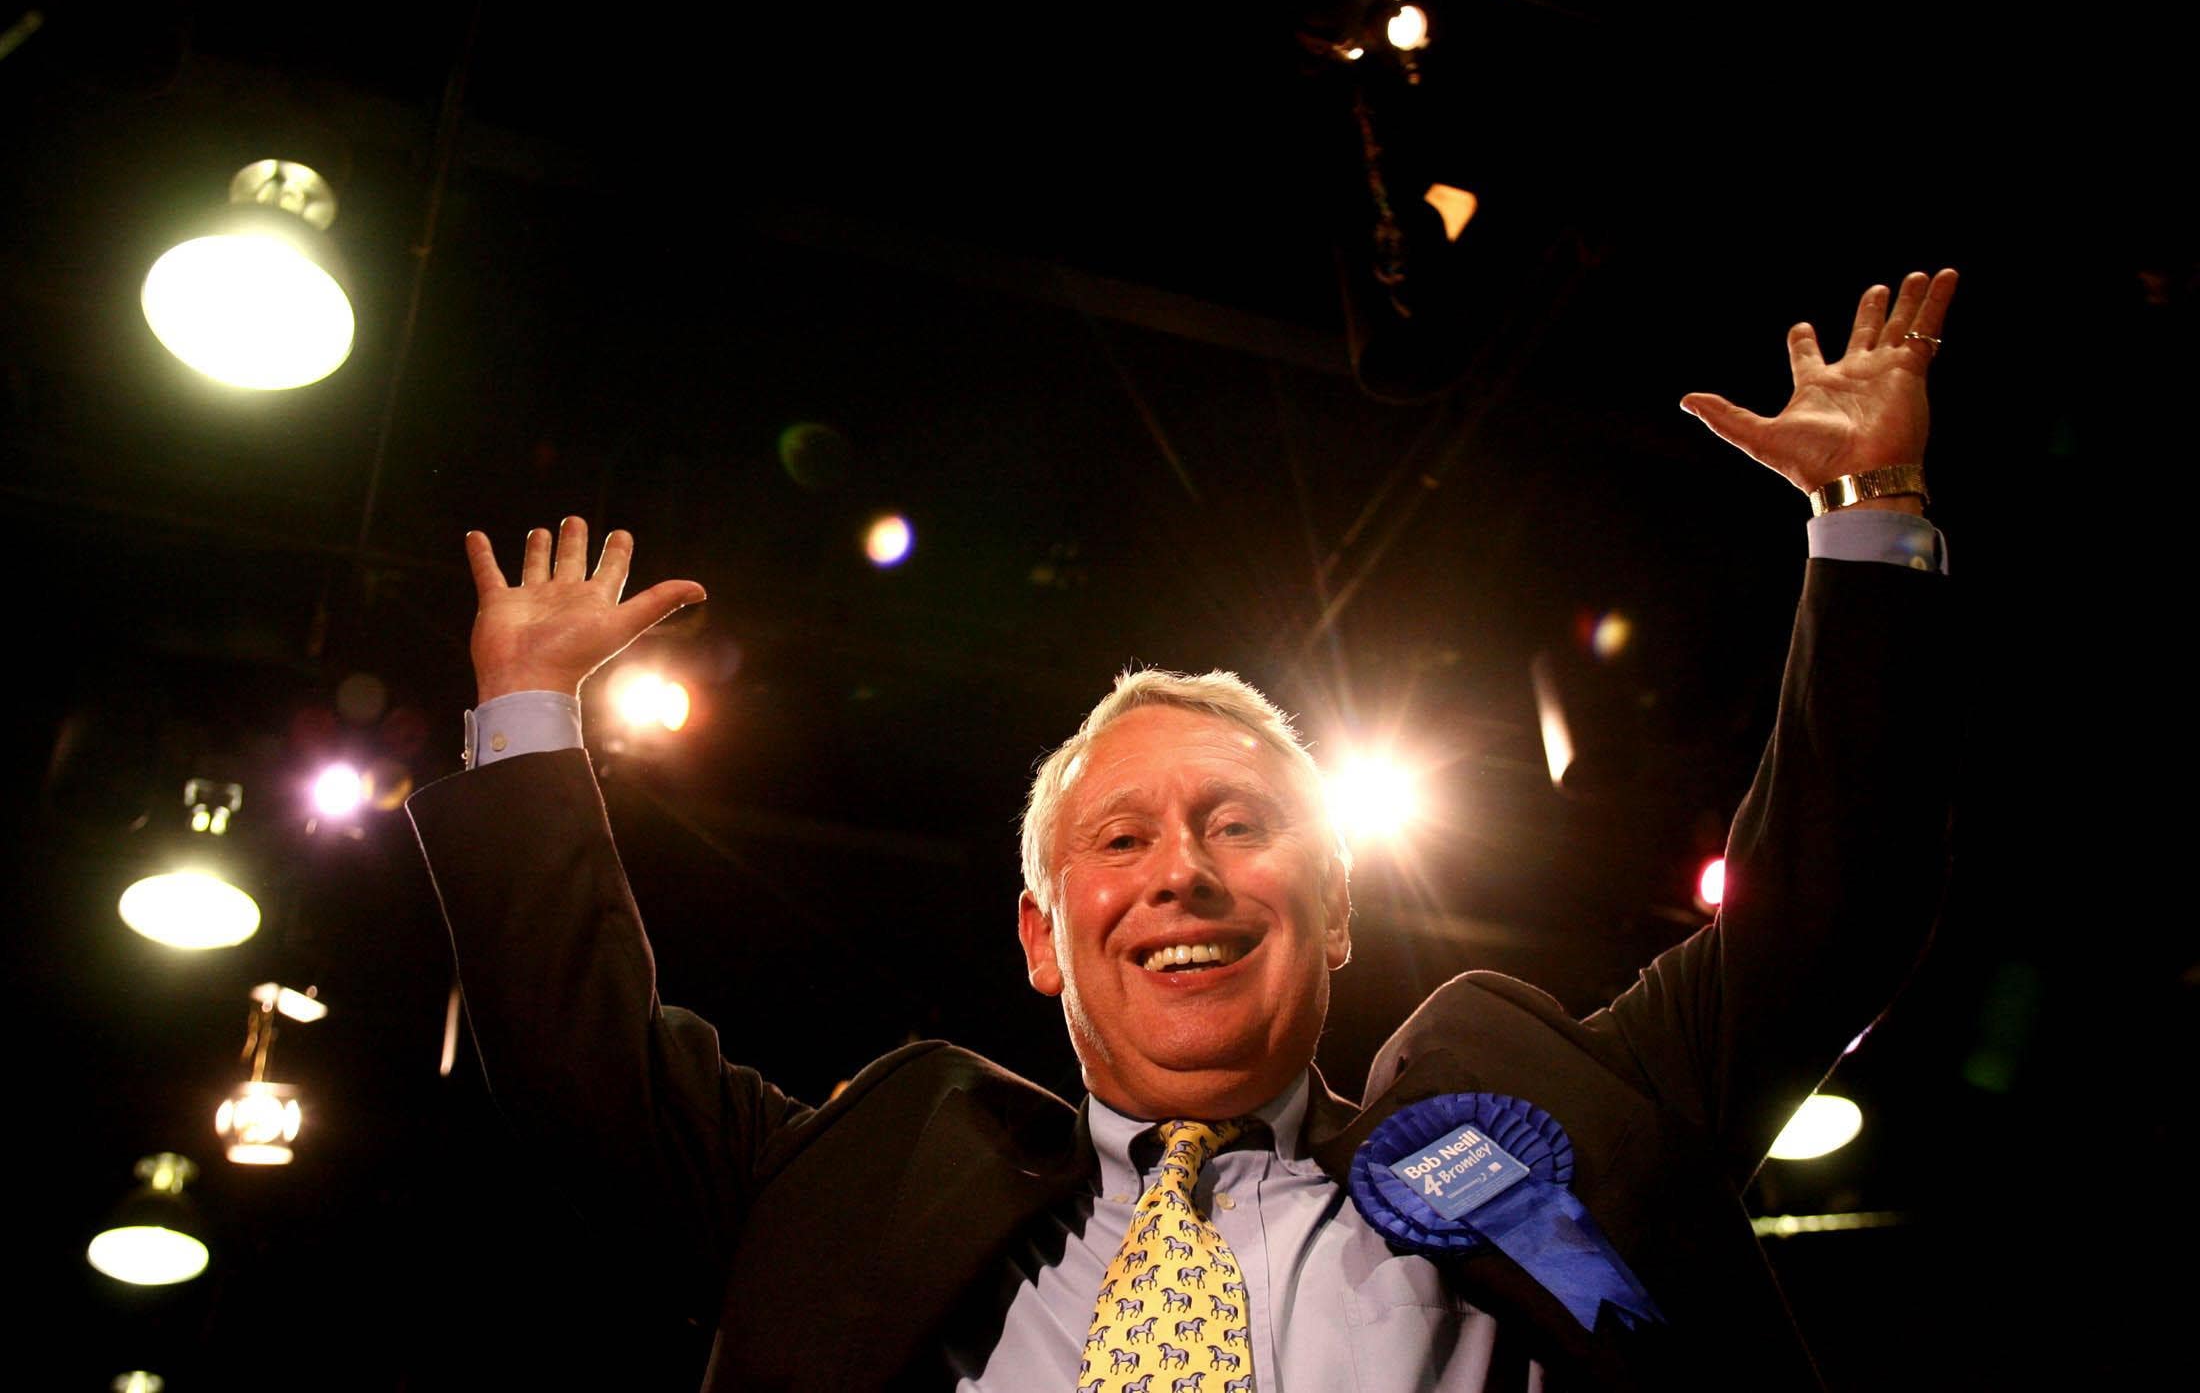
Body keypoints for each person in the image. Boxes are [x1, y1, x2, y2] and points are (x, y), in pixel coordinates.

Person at [409, 270, 1958, 1391]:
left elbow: (1834, 911)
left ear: (1337, 906)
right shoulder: (873, 1180)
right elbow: (575, 1075)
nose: (1185, 873)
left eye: (1237, 824)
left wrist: (1869, 517)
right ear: (1040, 934)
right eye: (1121, 841)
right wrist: (532, 719)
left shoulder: (1534, 1113)